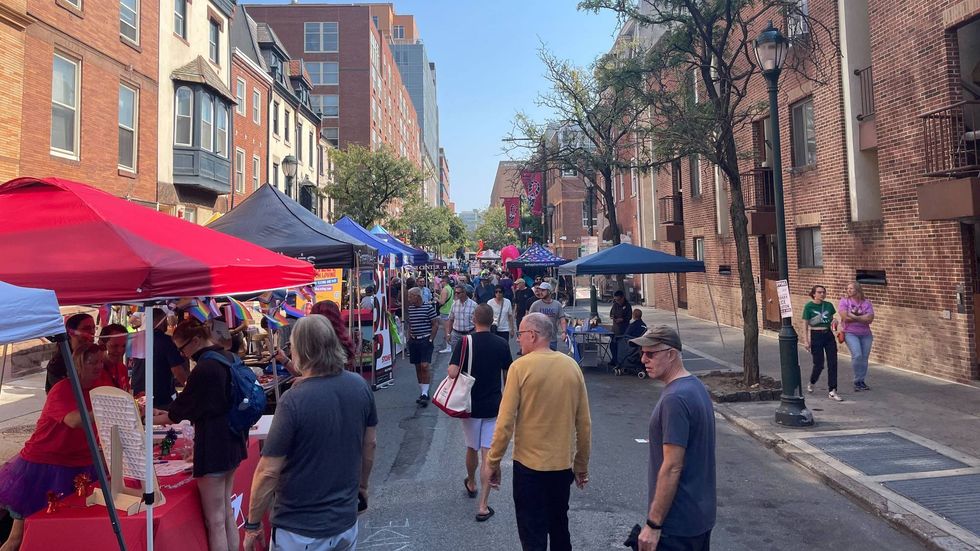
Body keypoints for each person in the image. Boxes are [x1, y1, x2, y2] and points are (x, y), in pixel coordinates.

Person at [244, 315, 377, 551]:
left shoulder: (293, 400)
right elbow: (370, 445)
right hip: (344, 521)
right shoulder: (359, 386)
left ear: (300, 350)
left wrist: (253, 524)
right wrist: (362, 488)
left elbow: (268, 471)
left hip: (299, 529)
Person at [484, 313, 591, 551]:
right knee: (560, 526)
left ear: (532, 335)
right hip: (561, 466)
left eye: (521, 335)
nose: (519, 340)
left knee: (532, 532)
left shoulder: (520, 368)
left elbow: (505, 421)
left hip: (529, 467)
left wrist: (493, 461)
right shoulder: (571, 366)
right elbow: (583, 423)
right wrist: (581, 464)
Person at [153, 322, 247, 551]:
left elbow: (178, 413)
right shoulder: (230, 358)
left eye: (182, 349)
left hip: (213, 445)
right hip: (234, 439)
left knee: (215, 521)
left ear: (195, 341)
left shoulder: (204, 369)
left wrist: (147, 417)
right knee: (225, 513)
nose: (182, 354)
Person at [0, 343, 104, 551]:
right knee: (19, 536)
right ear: (78, 365)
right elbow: (74, 420)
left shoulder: (96, 390)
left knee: (67, 531)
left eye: (101, 361)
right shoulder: (63, 389)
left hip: (81, 466)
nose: (98, 367)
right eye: (92, 362)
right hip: (43, 468)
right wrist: (107, 408)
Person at [632, 325, 716, 551]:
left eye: (651, 353)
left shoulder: (675, 399)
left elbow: (672, 466)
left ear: (670, 355)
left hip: (677, 523)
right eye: (642, 353)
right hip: (698, 516)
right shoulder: (695, 386)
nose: (643, 359)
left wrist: (653, 524)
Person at [448, 304, 512, 522]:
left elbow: (452, 371)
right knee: (488, 454)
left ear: (474, 319)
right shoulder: (502, 344)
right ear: (492, 320)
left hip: (470, 405)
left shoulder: (465, 342)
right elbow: (508, 375)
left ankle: (472, 481)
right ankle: (483, 505)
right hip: (494, 404)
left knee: (471, 448)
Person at [131, 309, 188, 409]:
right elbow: (177, 369)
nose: (166, 323)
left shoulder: (137, 339)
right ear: (159, 320)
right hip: (160, 395)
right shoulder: (166, 341)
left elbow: (132, 365)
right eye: (165, 320)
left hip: (139, 393)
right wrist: (189, 388)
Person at [802, 285, 842, 401]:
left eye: (823, 292)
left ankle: (832, 389)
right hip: (816, 335)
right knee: (819, 364)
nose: (822, 294)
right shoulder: (809, 306)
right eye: (819, 292)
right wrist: (806, 340)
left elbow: (831, 319)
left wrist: (834, 321)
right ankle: (812, 381)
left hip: (828, 335)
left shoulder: (828, 305)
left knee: (833, 362)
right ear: (813, 294)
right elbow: (805, 324)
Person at [44, 313, 95, 393]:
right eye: (86, 328)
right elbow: (63, 392)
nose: (92, 332)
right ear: (71, 332)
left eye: (93, 328)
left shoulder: (94, 355)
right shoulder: (58, 363)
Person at [406, 287, 439, 407]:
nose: (409, 299)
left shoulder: (428, 308)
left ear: (417, 296)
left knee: (424, 365)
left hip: (425, 339)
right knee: (417, 366)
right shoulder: (410, 309)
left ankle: (425, 392)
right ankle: (422, 391)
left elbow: (435, 323)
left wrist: (431, 339)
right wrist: (409, 338)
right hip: (414, 340)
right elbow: (410, 324)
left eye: (410, 296)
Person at [839, 281, 875, 392]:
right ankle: (856, 380)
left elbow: (870, 319)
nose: (849, 290)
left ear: (858, 290)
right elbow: (845, 318)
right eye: (848, 288)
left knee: (864, 357)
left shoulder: (866, 303)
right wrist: (861, 318)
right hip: (850, 332)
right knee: (857, 355)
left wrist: (854, 316)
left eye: (851, 288)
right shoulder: (844, 301)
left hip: (866, 334)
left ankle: (861, 381)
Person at [528, 282, 568, 351]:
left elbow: (562, 319)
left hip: (552, 338)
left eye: (543, 290)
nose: (540, 292)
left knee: (551, 360)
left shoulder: (557, 304)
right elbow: (529, 320)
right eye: (540, 290)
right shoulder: (535, 305)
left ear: (549, 291)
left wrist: (564, 332)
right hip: (538, 338)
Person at [99, 324, 131, 391]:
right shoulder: (93, 372)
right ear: (102, 345)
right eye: (115, 346)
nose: (120, 350)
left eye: (124, 346)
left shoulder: (122, 368)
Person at [448, 284, 478, 351]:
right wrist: (448, 334)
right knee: (455, 356)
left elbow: (477, 322)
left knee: (469, 355)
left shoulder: (474, 305)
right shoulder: (454, 304)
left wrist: (477, 335)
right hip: (456, 335)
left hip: (469, 334)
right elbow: (451, 320)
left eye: (458, 293)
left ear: (464, 293)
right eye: (455, 292)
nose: (456, 294)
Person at [610, 290, 634, 366]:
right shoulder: (615, 305)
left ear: (622, 298)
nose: (617, 301)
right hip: (615, 328)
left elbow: (629, 316)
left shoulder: (627, 306)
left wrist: (622, 319)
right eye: (616, 300)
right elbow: (611, 313)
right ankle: (614, 359)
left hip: (623, 328)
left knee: (620, 345)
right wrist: (613, 317)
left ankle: (620, 361)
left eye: (619, 300)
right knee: (612, 345)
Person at [436, 278, 455, 354]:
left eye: (441, 281)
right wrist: (438, 295)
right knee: (449, 329)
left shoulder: (444, 289)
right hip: (449, 310)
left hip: (445, 311)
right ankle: (449, 346)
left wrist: (436, 299)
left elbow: (442, 302)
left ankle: (448, 347)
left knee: (447, 330)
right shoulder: (450, 288)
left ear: (445, 282)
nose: (440, 283)